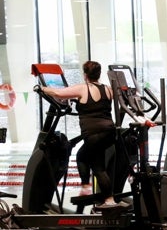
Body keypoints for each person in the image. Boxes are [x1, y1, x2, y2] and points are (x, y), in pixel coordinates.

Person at [40, 61, 118, 207]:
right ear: (99, 74)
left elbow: (58, 93)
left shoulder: (83, 88)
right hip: (109, 133)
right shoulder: (107, 89)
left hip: (93, 134)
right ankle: (87, 188)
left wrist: (41, 88)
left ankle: (108, 199)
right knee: (83, 156)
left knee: (96, 166)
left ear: (85, 74)